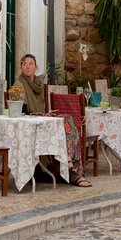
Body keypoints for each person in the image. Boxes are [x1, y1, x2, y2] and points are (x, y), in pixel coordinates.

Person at [16, 54, 92, 188]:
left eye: (30, 63)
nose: (27, 66)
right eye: (24, 64)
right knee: (66, 124)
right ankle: (74, 171)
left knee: (67, 120)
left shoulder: (39, 85)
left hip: (42, 121)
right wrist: (42, 114)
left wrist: (46, 114)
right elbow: (21, 110)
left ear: (36, 67)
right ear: (21, 68)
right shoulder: (19, 84)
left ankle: (70, 162)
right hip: (32, 126)